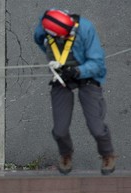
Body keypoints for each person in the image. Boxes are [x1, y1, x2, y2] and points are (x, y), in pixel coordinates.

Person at [34, 9, 116, 175]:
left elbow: (97, 62)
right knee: (59, 130)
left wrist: (77, 71)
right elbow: (40, 41)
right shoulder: (43, 30)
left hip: (87, 74)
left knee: (97, 127)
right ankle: (66, 153)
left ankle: (108, 154)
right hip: (63, 74)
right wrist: (55, 62)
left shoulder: (85, 28)